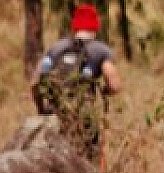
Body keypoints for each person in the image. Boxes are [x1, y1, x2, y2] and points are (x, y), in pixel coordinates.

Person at [31, 3, 122, 162]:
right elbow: (114, 84)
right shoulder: (100, 50)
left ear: (75, 26)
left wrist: (42, 110)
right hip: (85, 116)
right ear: (95, 27)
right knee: (90, 162)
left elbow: (35, 83)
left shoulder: (55, 49)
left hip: (55, 115)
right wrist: (105, 91)